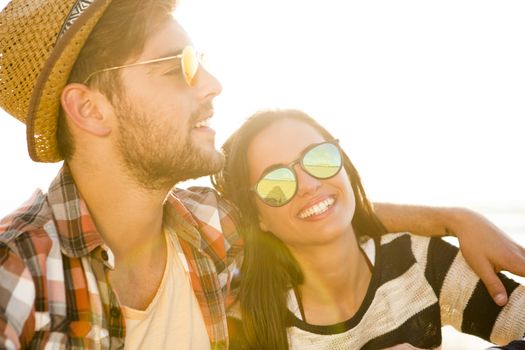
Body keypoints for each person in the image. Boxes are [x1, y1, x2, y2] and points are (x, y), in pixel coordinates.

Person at [0, 0, 524, 349]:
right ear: (89, 110)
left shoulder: (211, 228)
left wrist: (453, 219)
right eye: (175, 66)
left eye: (198, 61)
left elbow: (312, 212)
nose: (212, 84)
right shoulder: (15, 281)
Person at [214, 109, 525, 350]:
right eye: (276, 183)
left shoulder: (415, 259)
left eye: (320, 158)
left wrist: (459, 219)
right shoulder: (248, 324)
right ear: (258, 218)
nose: (309, 185)